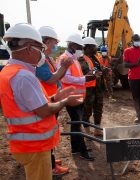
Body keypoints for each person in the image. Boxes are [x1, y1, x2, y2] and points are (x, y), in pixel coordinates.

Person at [0, 23, 82, 180]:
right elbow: (43, 110)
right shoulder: (24, 76)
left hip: (25, 143)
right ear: (30, 48)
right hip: (35, 145)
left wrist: (56, 98)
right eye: (41, 49)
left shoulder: (9, 71)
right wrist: (65, 101)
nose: (42, 54)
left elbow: (28, 105)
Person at [36, 26, 72, 175]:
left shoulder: (45, 58)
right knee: (46, 134)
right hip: (47, 102)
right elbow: (50, 79)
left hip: (51, 99)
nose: (55, 45)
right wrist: (63, 67)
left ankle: (50, 159)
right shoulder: (39, 60)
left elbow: (56, 76)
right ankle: (50, 165)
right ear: (44, 42)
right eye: (53, 42)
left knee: (50, 132)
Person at [56, 33, 96, 161]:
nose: (81, 49)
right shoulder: (64, 59)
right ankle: (82, 150)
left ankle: (76, 148)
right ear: (73, 45)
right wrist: (84, 79)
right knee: (77, 123)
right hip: (71, 97)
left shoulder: (73, 59)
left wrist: (86, 76)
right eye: (79, 46)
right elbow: (65, 77)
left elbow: (75, 75)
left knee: (75, 123)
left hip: (77, 96)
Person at [78, 37, 105, 136]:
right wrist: (96, 72)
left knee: (98, 109)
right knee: (87, 110)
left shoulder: (95, 57)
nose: (95, 48)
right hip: (88, 89)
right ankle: (87, 132)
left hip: (98, 88)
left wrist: (103, 70)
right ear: (88, 47)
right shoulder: (81, 58)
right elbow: (86, 71)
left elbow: (98, 69)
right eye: (94, 46)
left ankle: (97, 130)